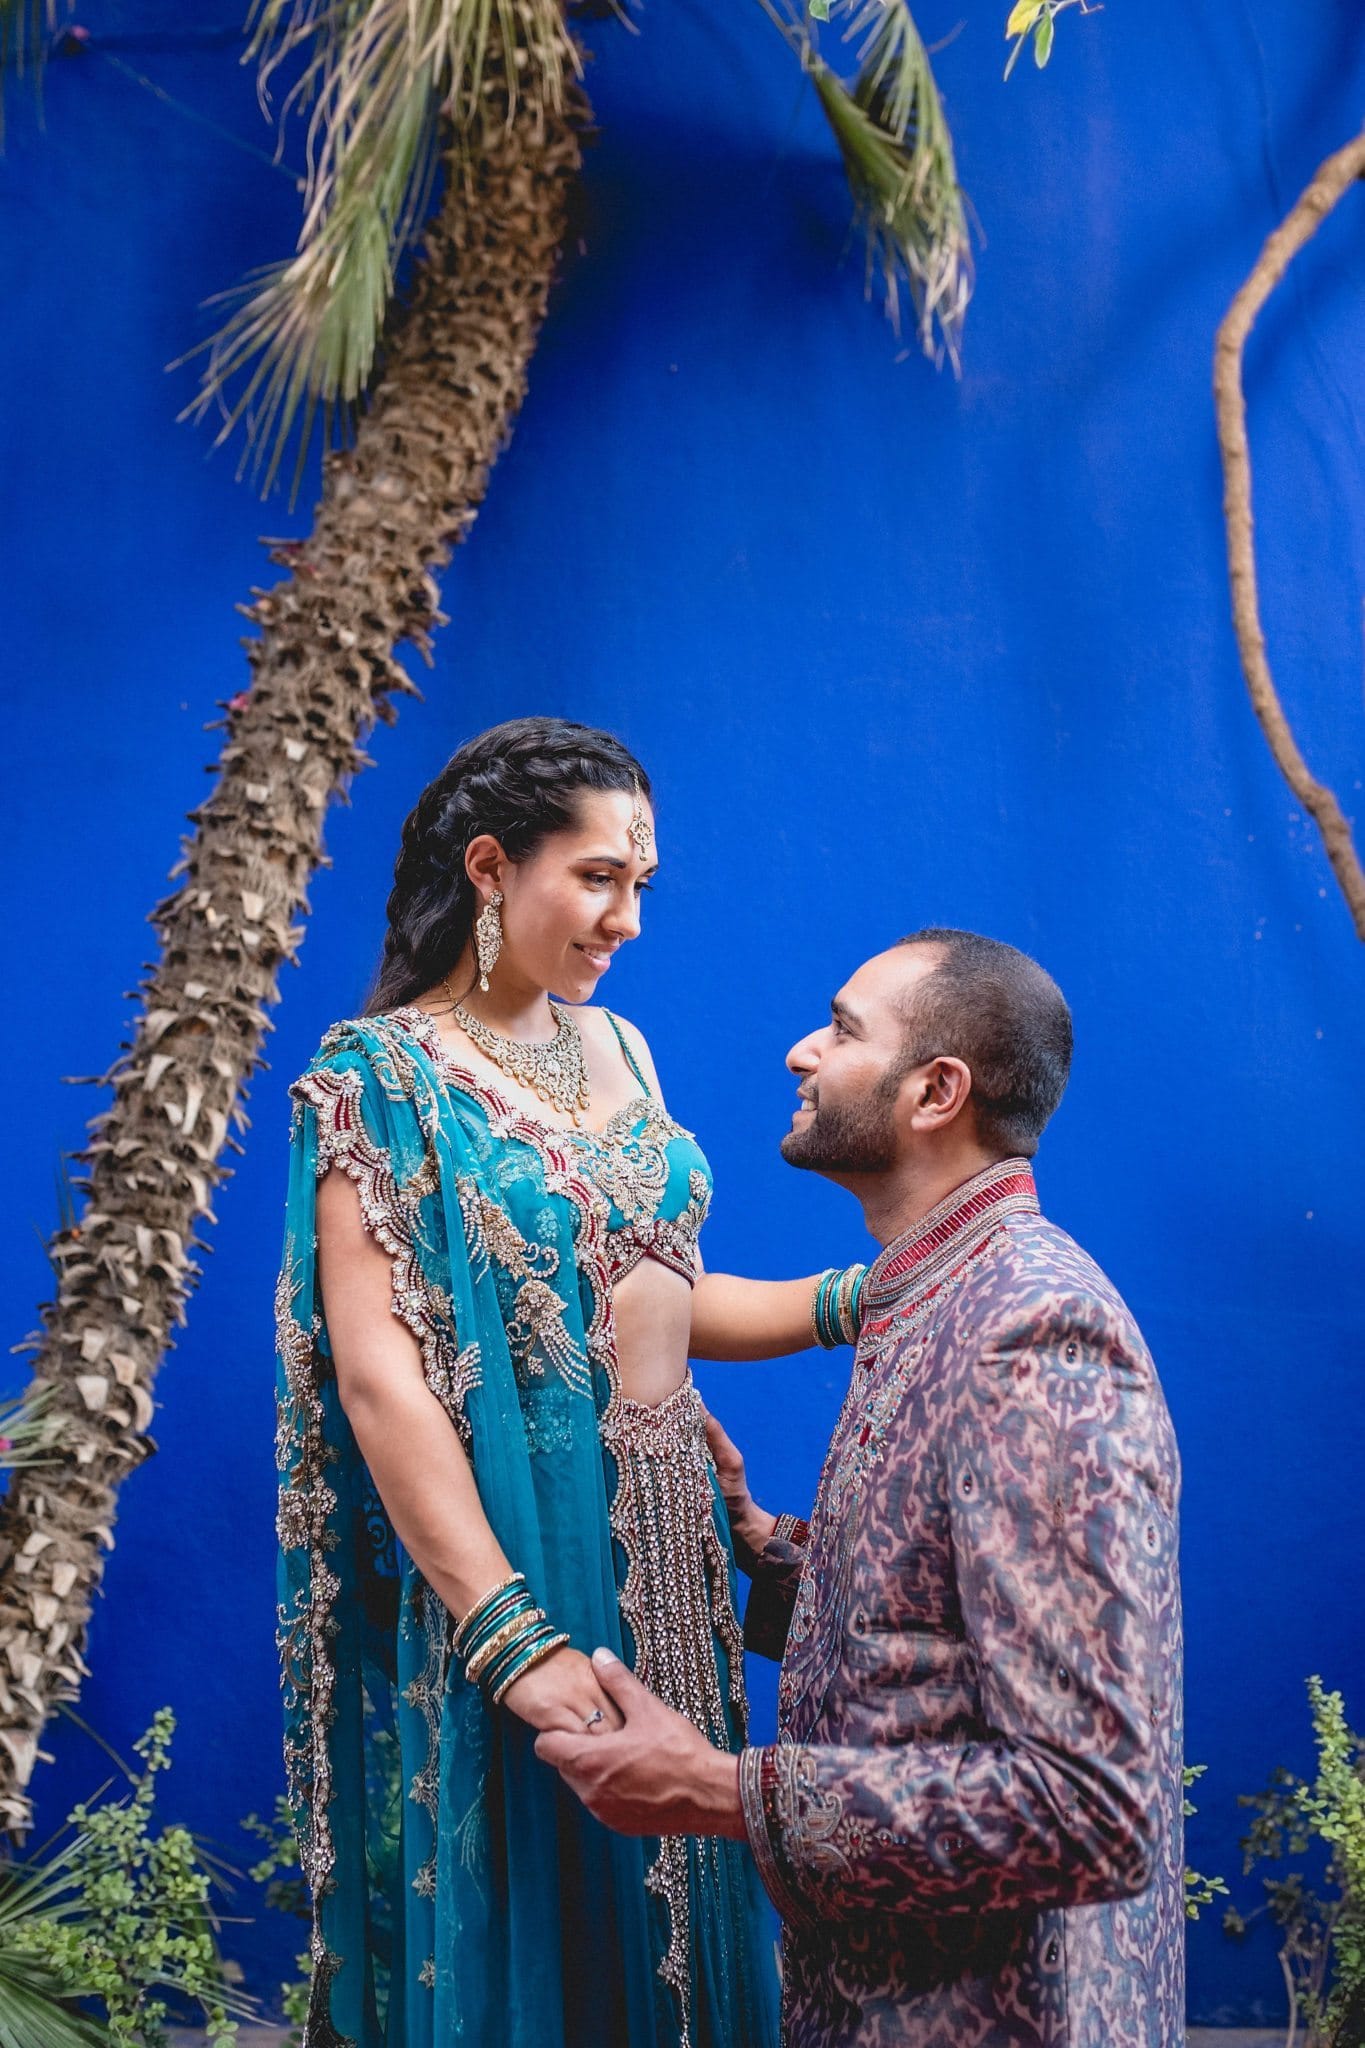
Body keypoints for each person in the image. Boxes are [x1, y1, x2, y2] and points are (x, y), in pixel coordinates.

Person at [276, 717, 843, 2048]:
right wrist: (507, 1633)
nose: (626, 917)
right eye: (598, 878)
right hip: (512, 1547)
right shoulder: (379, 1079)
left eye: (639, 884)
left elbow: (656, 1293)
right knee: (543, 1911)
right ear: (489, 867)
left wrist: (856, 1300)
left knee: (679, 1923)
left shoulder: (621, 1051)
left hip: (665, 1544)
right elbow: (382, 1383)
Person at [536, 931, 1185, 2048]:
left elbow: (1090, 1806)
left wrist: (718, 1790)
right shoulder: (937, 1295)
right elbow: (947, 1636)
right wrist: (769, 1542)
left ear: (937, 1091)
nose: (802, 1051)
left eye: (840, 1029)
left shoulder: (1030, 1328)